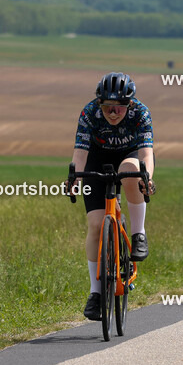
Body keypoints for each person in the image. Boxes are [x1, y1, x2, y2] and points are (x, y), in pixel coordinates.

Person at [67, 72, 154, 321]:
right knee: (95, 225)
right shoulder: (89, 113)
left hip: (129, 155)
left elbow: (146, 153)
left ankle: (138, 233)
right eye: (107, 107)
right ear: (99, 104)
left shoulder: (140, 112)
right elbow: (80, 153)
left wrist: (146, 178)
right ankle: (95, 294)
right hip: (97, 158)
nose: (113, 113)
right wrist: (74, 179)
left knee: (130, 170)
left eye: (118, 107)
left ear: (128, 104)